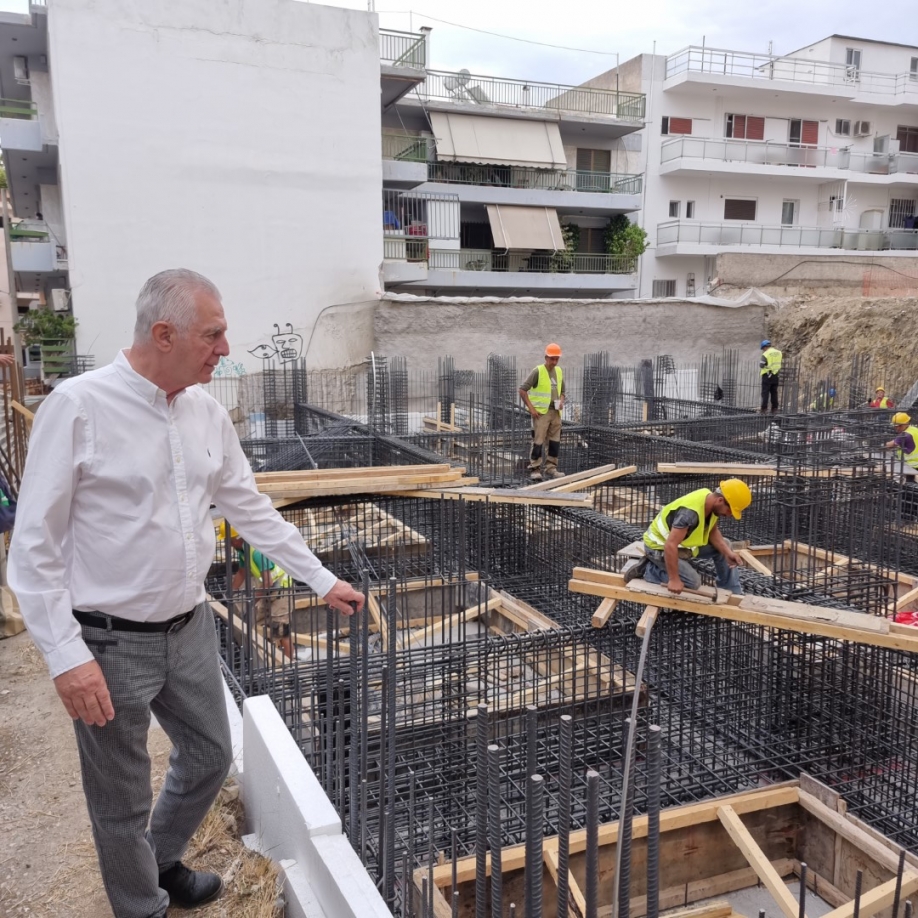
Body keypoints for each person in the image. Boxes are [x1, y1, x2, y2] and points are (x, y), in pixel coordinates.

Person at [8, 269, 365, 918]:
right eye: (214, 333)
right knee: (120, 800)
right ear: (164, 333)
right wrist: (66, 655)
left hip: (189, 626)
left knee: (209, 754)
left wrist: (321, 578)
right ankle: (141, 905)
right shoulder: (79, 407)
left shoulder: (204, 412)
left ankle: (161, 859)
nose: (225, 348)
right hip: (109, 643)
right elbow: (32, 548)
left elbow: (249, 510)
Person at [627, 479, 753, 596]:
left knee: (725, 544)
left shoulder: (710, 502)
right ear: (720, 500)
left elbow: (712, 531)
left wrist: (727, 553)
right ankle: (649, 570)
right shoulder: (689, 514)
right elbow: (670, 545)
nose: (730, 515)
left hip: (684, 546)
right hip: (658, 548)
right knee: (693, 583)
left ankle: (731, 590)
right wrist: (674, 579)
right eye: (730, 510)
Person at [221, 522, 294, 658]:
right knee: (261, 624)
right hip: (268, 590)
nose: (229, 544)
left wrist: (253, 600)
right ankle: (269, 659)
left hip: (281, 591)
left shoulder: (256, 552)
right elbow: (242, 573)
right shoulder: (244, 551)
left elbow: (268, 583)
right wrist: (230, 593)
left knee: (280, 630)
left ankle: (289, 666)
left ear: (237, 538)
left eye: (229, 540)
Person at [519, 342, 565, 481]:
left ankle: (551, 468)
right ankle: (535, 468)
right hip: (541, 413)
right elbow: (522, 390)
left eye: (557, 358)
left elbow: (562, 391)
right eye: (552, 358)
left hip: (555, 412)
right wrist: (531, 409)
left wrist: (561, 400)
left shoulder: (559, 371)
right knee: (538, 441)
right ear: (546, 357)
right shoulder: (538, 371)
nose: (554, 361)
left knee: (554, 442)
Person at [884, 412, 918, 481]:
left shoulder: (904, 435)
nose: (896, 428)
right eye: (895, 426)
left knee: (907, 487)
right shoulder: (914, 429)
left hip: (910, 467)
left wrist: (885, 443)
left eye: (898, 426)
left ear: (905, 424)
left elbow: (889, 446)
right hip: (915, 465)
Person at [759, 339, 782, 414]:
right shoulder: (779, 353)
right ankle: (774, 408)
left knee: (765, 393)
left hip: (767, 375)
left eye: (763, 349)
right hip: (775, 375)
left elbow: (761, 365)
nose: (763, 350)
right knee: (774, 392)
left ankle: (764, 409)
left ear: (765, 347)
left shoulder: (766, 354)